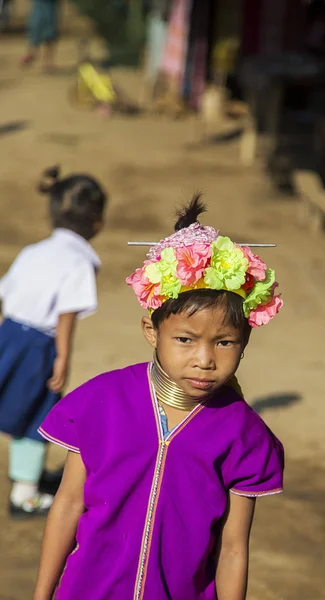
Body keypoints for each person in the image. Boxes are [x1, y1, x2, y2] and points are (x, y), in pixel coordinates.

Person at [34, 196, 284, 600]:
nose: (204, 359)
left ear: (245, 341)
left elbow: (234, 548)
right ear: (152, 331)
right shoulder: (102, 401)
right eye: (185, 340)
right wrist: (41, 595)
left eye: (224, 342)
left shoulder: (244, 434)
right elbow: (66, 505)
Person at [0, 166, 107, 518]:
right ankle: (24, 495)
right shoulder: (80, 260)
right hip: (39, 346)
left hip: (9, 334)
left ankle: (25, 479)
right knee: (38, 414)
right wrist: (61, 357)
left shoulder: (34, 250)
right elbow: (66, 314)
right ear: (97, 222)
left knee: (17, 407)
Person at [20, 0, 61, 72]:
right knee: (36, 27)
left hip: (49, 4)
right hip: (40, 4)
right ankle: (32, 53)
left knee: (49, 31)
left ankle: (47, 61)